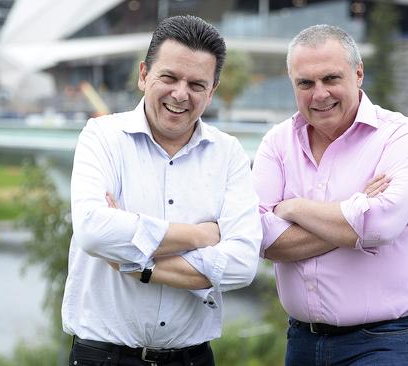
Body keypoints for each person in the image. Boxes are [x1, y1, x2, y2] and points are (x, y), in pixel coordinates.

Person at [62, 15, 262, 366]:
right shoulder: (102, 138)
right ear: (144, 75)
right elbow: (93, 231)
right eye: (169, 77)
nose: (180, 94)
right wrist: (200, 236)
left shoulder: (229, 154)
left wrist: (136, 263)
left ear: (212, 91)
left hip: (193, 359)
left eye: (197, 84)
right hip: (103, 358)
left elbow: (242, 267)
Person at [252, 24, 408, 365]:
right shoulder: (277, 143)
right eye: (305, 83)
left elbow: (379, 226)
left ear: (358, 74)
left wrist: (290, 208)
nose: (319, 94)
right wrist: (353, 213)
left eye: (331, 78)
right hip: (302, 340)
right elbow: (260, 238)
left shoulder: (403, 138)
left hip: (386, 340)